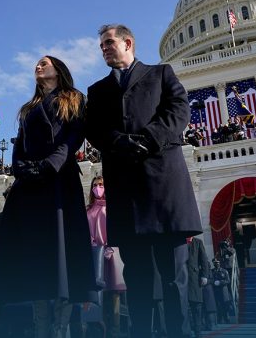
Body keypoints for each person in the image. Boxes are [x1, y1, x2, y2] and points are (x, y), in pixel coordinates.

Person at [86, 24, 202, 337]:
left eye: (109, 42)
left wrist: (149, 138)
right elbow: (93, 128)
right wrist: (118, 142)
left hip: (164, 189)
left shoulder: (161, 74)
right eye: (102, 45)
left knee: (173, 277)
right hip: (126, 193)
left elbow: (179, 111)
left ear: (128, 42)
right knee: (136, 278)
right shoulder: (97, 91)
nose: (104, 48)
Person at [0, 56, 97, 338]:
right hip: (30, 185)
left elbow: (73, 138)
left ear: (58, 70)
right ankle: (40, 327)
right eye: (36, 63)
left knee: (61, 254)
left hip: (59, 181)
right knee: (33, 255)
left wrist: (50, 164)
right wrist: (22, 168)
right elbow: (19, 144)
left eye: (44, 63)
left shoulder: (75, 99)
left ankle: (60, 328)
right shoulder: (28, 108)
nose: (38, 66)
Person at [86, 175, 126, 337]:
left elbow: (117, 228)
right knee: (98, 294)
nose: (98, 188)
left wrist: (109, 246)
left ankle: (115, 331)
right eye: (95, 185)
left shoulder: (112, 207)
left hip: (112, 254)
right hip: (95, 255)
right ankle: (98, 329)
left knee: (114, 294)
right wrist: (94, 246)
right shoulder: (88, 209)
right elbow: (85, 231)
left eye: (101, 184)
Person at [186, 236, 210, 336]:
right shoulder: (180, 242)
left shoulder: (198, 242)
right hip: (182, 279)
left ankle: (198, 332)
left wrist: (204, 276)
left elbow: (204, 260)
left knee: (196, 307)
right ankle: (186, 332)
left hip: (194, 279)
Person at [210, 259, 231, 325]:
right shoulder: (211, 271)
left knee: (225, 305)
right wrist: (214, 282)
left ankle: (226, 319)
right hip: (216, 291)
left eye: (218, 262)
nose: (217, 264)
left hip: (223, 291)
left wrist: (220, 282)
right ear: (213, 263)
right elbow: (210, 280)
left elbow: (228, 280)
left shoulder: (224, 271)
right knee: (218, 305)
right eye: (215, 263)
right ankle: (219, 319)